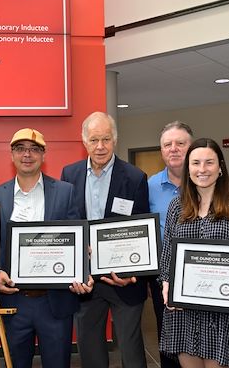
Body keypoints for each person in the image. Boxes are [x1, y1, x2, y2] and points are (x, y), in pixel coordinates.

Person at [0, 128, 92, 368]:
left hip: (53, 301)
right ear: (11, 155)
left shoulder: (65, 192)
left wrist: (82, 272)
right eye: (21, 149)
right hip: (13, 302)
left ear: (44, 155)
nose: (27, 154)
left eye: (34, 149)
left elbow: (75, 242)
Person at [159, 137, 229, 368]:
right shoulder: (176, 207)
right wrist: (168, 287)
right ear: (188, 169)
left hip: (225, 314)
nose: (202, 169)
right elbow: (168, 253)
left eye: (209, 162)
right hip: (183, 313)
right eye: (196, 163)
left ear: (220, 167)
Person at [60, 111, 149, 368]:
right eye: (94, 139)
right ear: (84, 141)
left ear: (115, 140)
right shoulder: (70, 174)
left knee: (131, 351)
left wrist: (133, 273)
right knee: (89, 348)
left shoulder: (134, 177)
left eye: (106, 139)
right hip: (87, 280)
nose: (100, 146)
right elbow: (68, 224)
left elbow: (141, 229)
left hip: (124, 280)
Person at [148, 120, 193, 368]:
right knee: (169, 340)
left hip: (201, 275)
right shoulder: (149, 186)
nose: (173, 149)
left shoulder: (206, 182)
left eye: (180, 143)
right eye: (167, 144)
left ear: (191, 147)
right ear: (162, 150)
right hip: (163, 278)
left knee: (202, 338)